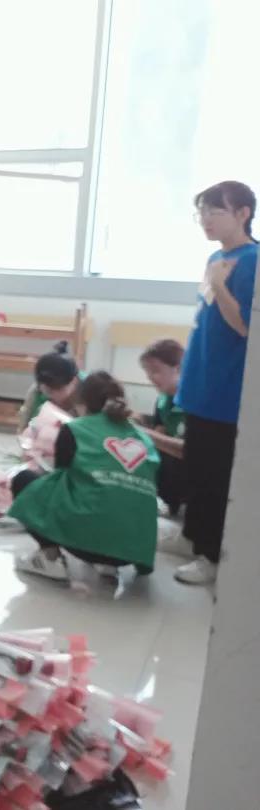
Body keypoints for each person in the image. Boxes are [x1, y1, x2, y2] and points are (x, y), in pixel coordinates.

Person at [172, 181, 257, 585]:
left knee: (215, 477)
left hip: (226, 392)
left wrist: (221, 285)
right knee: (197, 468)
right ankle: (193, 538)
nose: (206, 220)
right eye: (201, 212)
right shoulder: (216, 257)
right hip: (200, 384)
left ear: (243, 214)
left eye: (215, 211)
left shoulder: (253, 260)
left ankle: (211, 555)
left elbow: (245, 326)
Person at [10, 372, 159, 582]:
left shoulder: (76, 429)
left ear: (81, 402)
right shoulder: (144, 438)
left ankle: (50, 558)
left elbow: (60, 476)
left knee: (24, 480)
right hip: (133, 550)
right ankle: (109, 564)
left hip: (87, 542)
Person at [136, 339, 188, 518]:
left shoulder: (195, 404)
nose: (150, 377)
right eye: (147, 372)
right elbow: (158, 436)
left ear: (178, 368)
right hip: (166, 486)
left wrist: (144, 433)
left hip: (190, 488)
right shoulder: (162, 400)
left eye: (155, 371)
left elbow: (190, 451)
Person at [18, 342, 84, 428]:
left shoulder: (89, 391)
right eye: (48, 391)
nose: (54, 396)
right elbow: (25, 427)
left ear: (74, 381)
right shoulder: (37, 391)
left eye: (59, 389)